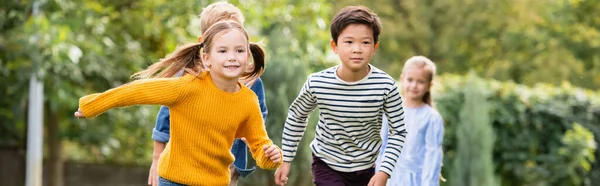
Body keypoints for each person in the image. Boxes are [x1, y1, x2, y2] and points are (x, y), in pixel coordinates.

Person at [74, 21, 281, 186]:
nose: (232, 57)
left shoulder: (248, 101)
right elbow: (136, 92)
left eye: (239, 51)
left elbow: (259, 146)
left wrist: (271, 155)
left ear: (248, 58)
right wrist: (94, 104)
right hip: (173, 180)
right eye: (223, 51)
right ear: (207, 59)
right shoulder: (187, 88)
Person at [274, 5, 407, 186]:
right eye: (349, 42)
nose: (357, 49)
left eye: (365, 42)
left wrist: (384, 171)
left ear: (375, 47)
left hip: (368, 167)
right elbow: (297, 116)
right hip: (326, 163)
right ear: (335, 46)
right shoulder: (317, 83)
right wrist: (286, 159)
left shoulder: (386, 86)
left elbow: (398, 131)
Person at [148, 2, 268, 186]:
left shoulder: (252, 81)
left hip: (228, 165)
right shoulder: (189, 78)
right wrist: (157, 158)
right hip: (185, 165)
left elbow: (259, 117)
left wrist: (250, 134)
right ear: (203, 43)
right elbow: (165, 116)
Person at [376, 56, 445, 186]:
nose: (414, 85)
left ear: (429, 85)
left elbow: (432, 157)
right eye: (410, 80)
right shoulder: (390, 110)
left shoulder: (432, 118)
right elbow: (382, 145)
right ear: (402, 79)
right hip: (390, 178)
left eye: (420, 81)